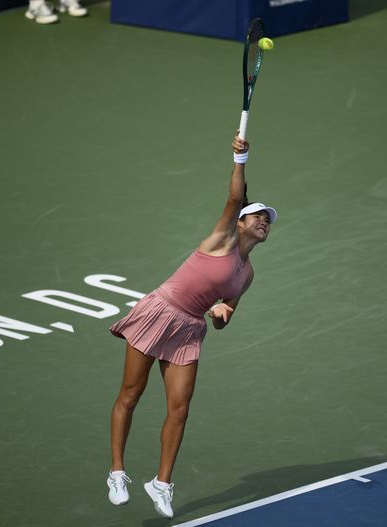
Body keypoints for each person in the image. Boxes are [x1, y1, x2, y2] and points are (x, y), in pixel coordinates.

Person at [105, 132, 278, 518]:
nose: (265, 222)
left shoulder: (246, 275)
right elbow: (235, 198)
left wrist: (220, 315)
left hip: (188, 329)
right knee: (131, 394)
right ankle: (117, 472)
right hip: (159, 311)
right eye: (259, 216)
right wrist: (241, 159)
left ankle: (161, 483)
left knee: (180, 409)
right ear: (241, 222)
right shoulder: (222, 239)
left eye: (269, 220)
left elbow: (225, 316)